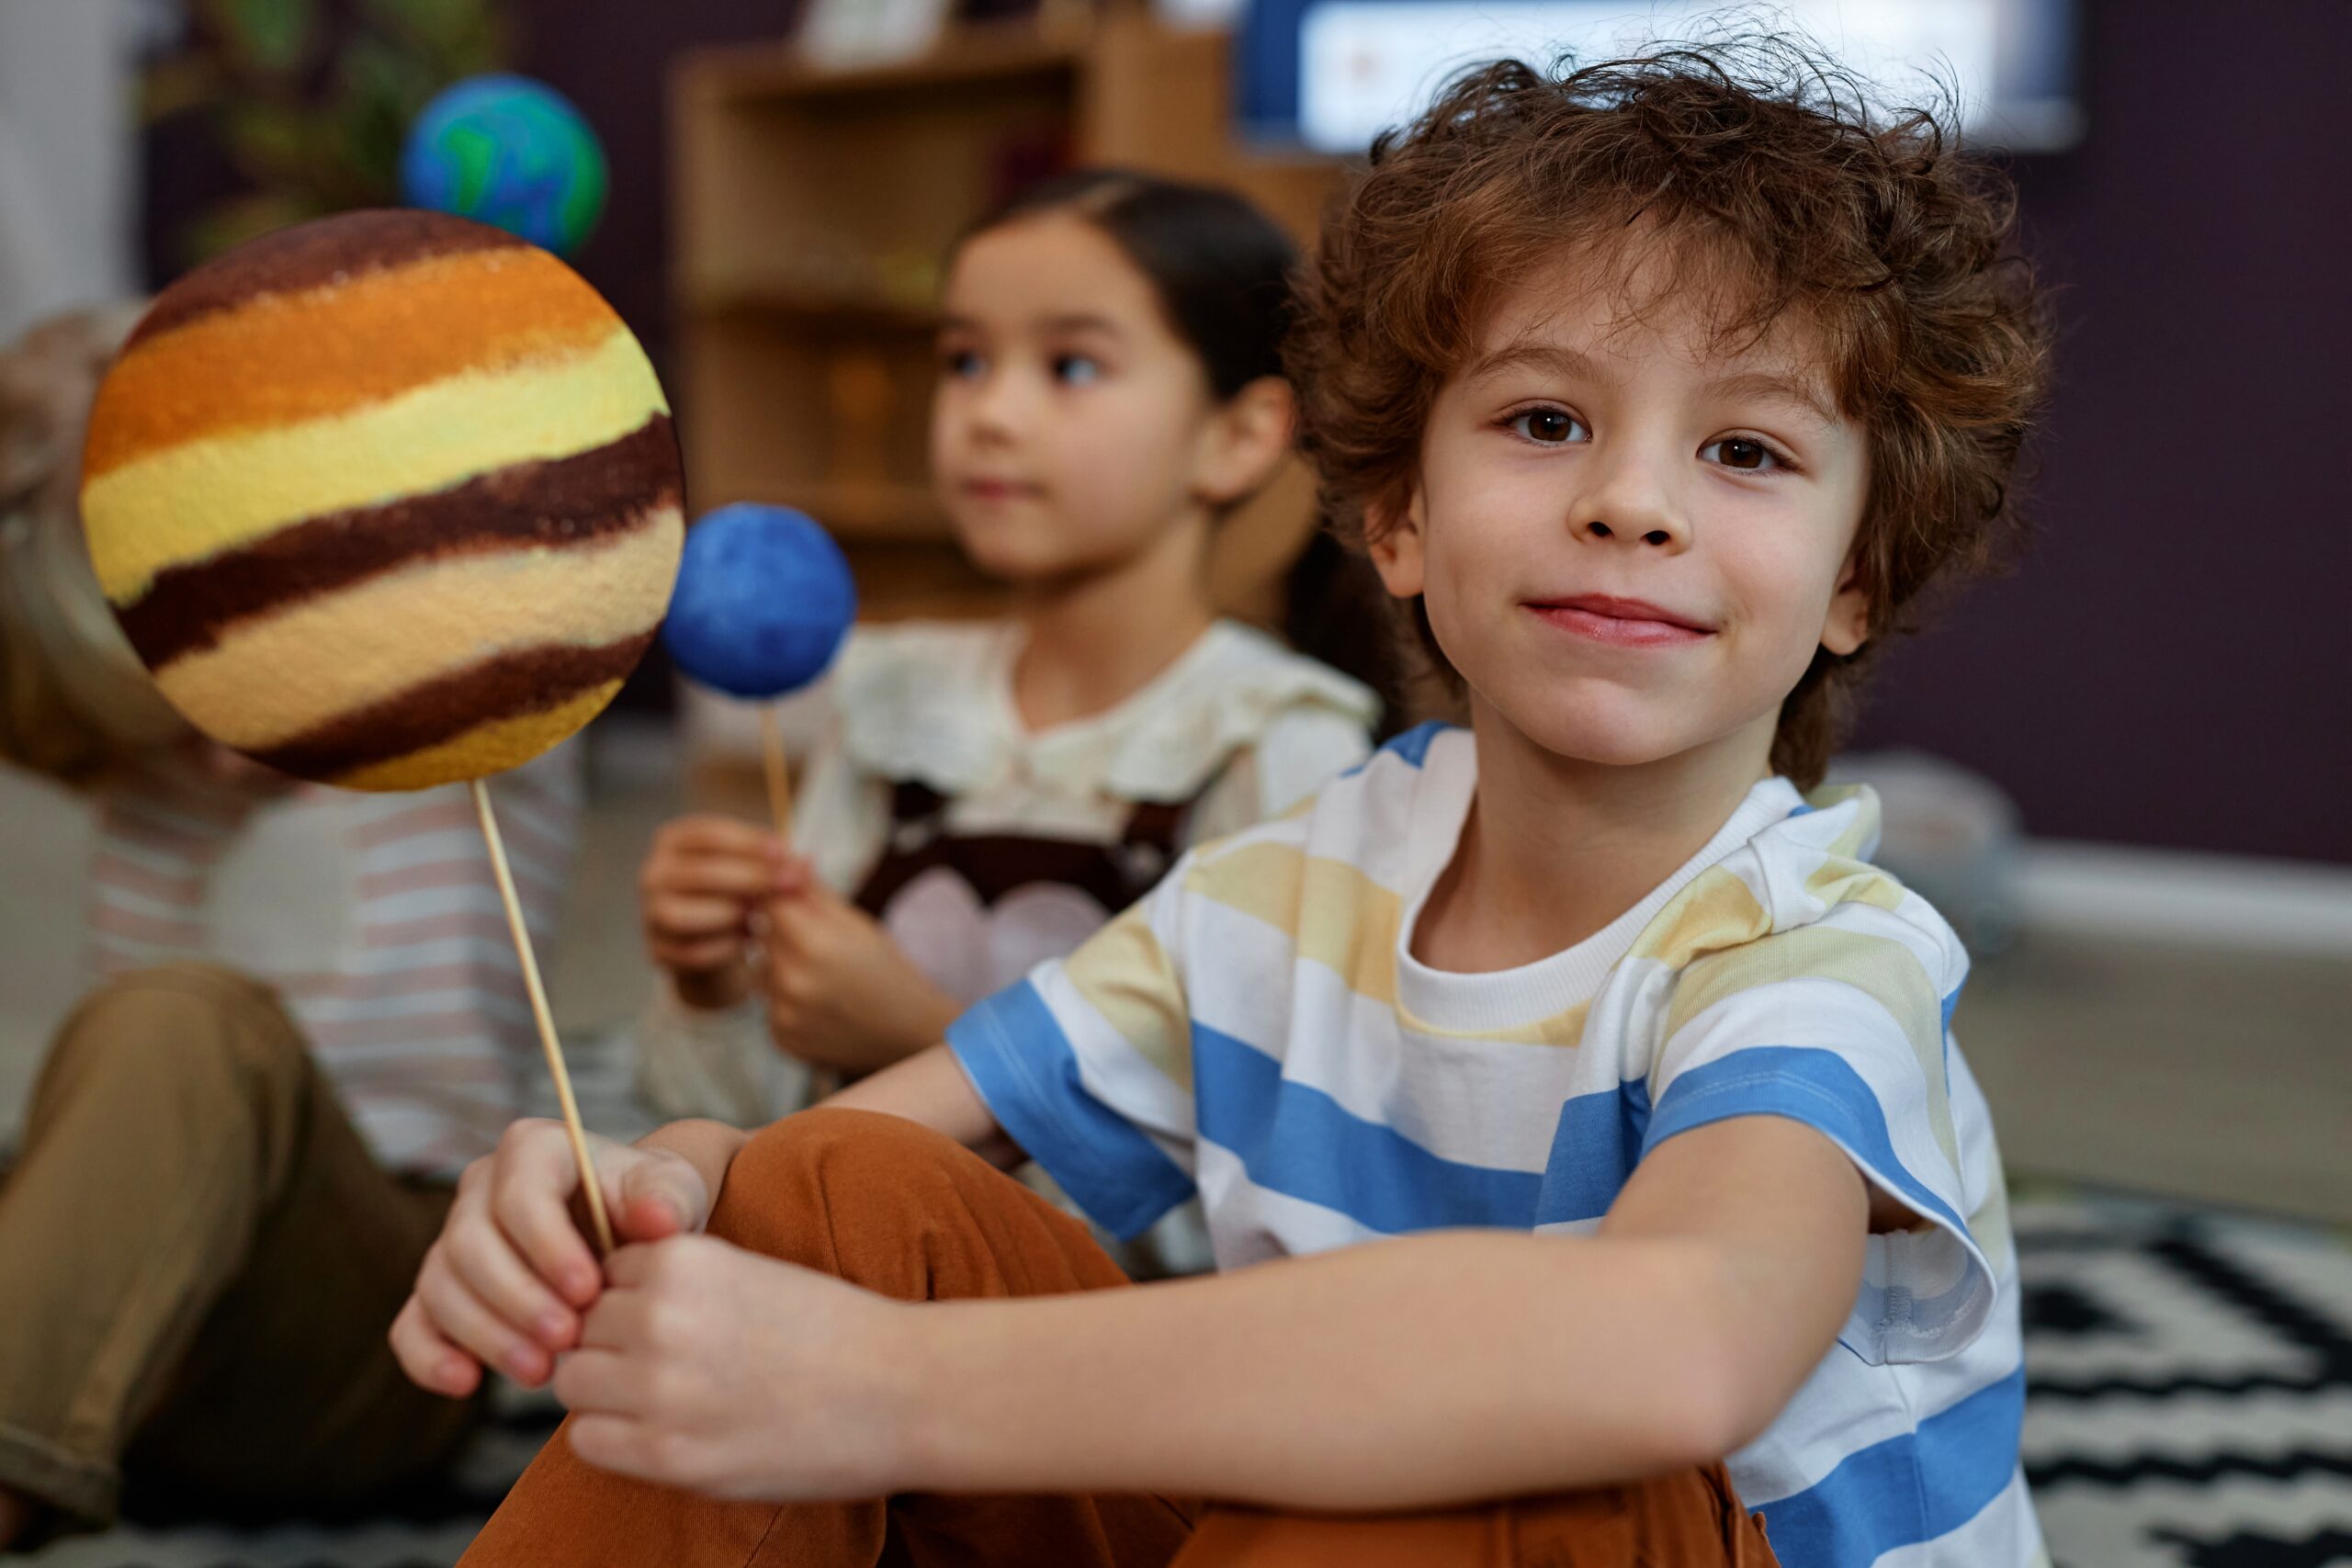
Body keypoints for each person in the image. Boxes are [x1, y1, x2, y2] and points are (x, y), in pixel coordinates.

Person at [393, 39, 2051, 1567]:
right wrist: (650, 1181)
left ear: (1860, 573)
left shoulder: (1819, 965)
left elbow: (1680, 1344)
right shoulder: (1287, 886)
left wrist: (899, 1386)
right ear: (1396, 519)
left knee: (1521, 1450)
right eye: (1546, 421)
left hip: (1614, 1527)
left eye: (1746, 453)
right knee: (822, 1194)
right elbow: (820, 1170)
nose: (1631, 501)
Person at [0, 306, 582, 1549]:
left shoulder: (462, 722)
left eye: (231, 674)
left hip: (380, 1298)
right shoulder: (142, 776)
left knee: (186, 1020)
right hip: (141, 1298)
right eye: (159, 707)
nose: (207, 763)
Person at [631, 171, 1378, 1136]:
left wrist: (927, 1040)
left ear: (1237, 436)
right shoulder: (892, 695)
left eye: (1070, 366)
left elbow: (1252, 1192)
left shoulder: (1277, 746)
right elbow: (753, 1125)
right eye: (964, 361)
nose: (989, 414)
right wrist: (716, 986)